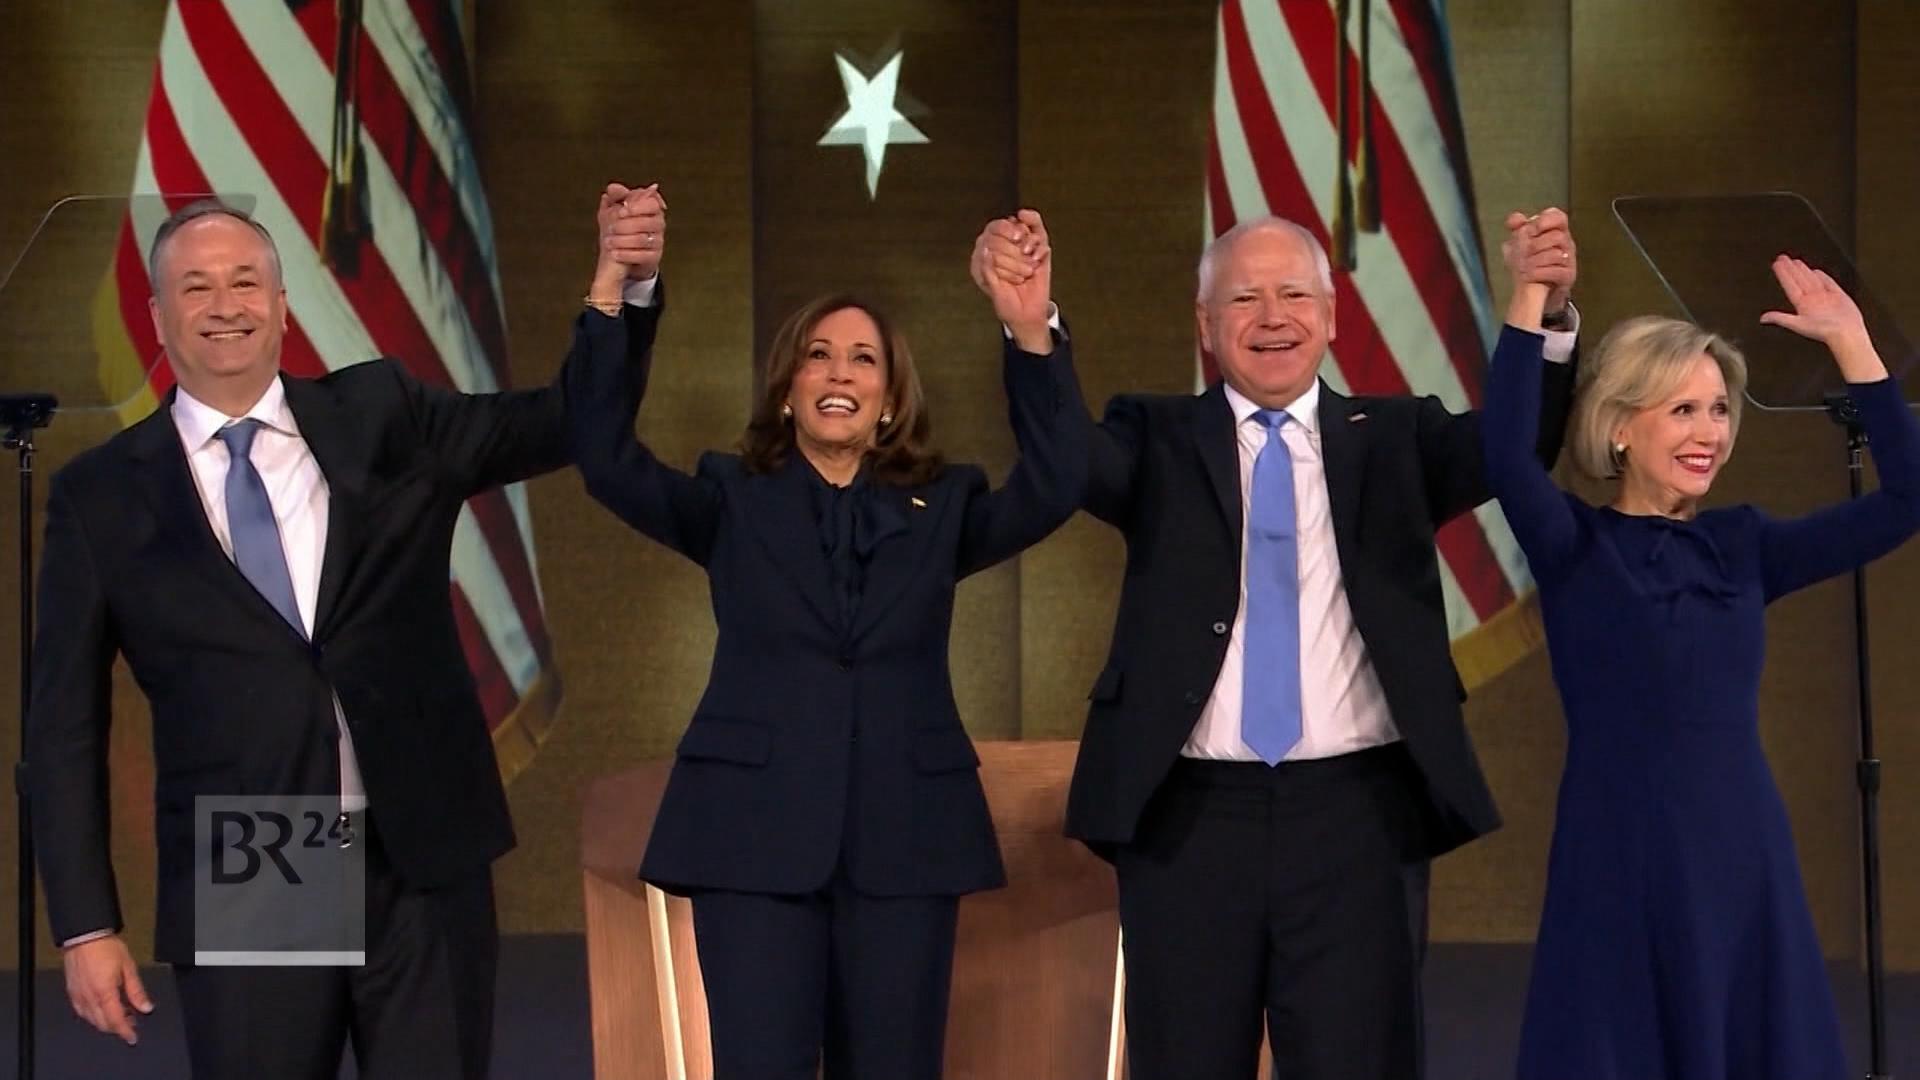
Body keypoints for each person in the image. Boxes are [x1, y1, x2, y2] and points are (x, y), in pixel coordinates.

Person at [26, 193, 661, 1079]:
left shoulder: (383, 412)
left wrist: (617, 296)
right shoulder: (102, 494)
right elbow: (61, 729)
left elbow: (563, 424)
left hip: (418, 843)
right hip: (257, 852)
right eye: (197, 287)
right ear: (158, 314)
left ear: (282, 306)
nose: (226, 306)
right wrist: (87, 924)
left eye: (247, 282)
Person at [986, 209, 1582, 1080]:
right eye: (1246, 299)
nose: (1273, 317)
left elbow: (1513, 447)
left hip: (1358, 820)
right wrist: (1030, 326)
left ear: (1333, 314)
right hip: (1188, 823)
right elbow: (1066, 462)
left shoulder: (1397, 438)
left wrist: (1546, 312)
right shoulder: (1154, 438)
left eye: (1295, 294)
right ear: (1205, 324)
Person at [566, 200, 1087, 1079]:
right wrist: (618, 292)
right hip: (753, 841)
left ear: (889, 397)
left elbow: (1063, 476)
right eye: (818, 355)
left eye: (863, 359)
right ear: (787, 387)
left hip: (905, 842)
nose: (839, 371)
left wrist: (1028, 326)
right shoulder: (730, 499)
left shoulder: (943, 506)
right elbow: (602, 454)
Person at [1484, 250, 1919, 1079]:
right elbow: (1507, 458)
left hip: (1740, 851)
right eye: (1682, 408)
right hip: (1620, 853)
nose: (1709, 432)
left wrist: (1853, 345)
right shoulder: (1578, 546)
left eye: (1719, 410)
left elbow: (1908, 499)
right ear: (1619, 424)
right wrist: (1530, 299)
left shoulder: (1744, 546)